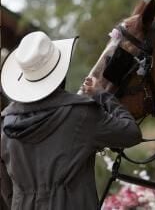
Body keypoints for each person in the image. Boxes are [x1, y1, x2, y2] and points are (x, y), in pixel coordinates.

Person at [1, 31, 142, 210]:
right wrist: (103, 95)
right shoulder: (81, 114)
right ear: (60, 71)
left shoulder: (5, 123)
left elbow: (4, 182)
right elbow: (131, 133)